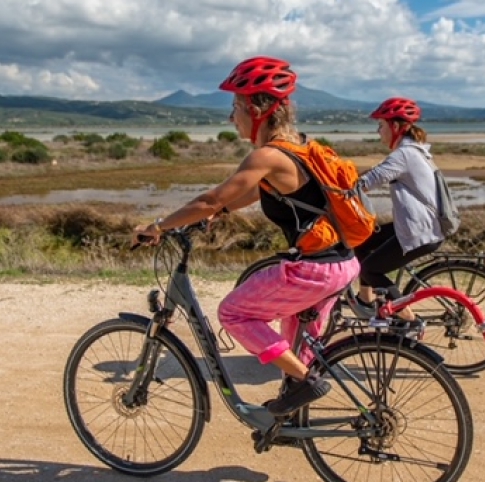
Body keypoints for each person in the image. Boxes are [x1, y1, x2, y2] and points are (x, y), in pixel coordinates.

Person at [133, 56, 359, 415]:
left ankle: (307, 381)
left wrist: (158, 227)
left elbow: (209, 198)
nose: (231, 117)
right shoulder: (297, 147)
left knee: (234, 312)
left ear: (256, 110)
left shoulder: (267, 156)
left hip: (314, 269)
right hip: (342, 264)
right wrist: (221, 212)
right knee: (296, 345)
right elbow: (257, 192)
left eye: (235, 107)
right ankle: (292, 422)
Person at [352, 97, 445, 329]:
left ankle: (409, 320)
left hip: (420, 231)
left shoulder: (405, 154)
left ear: (395, 127)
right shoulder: (413, 151)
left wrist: (336, 190)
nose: (378, 132)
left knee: (370, 268)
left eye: (381, 125)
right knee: (362, 241)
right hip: (419, 225)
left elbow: (369, 180)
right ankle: (365, 300)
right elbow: (375, 175)